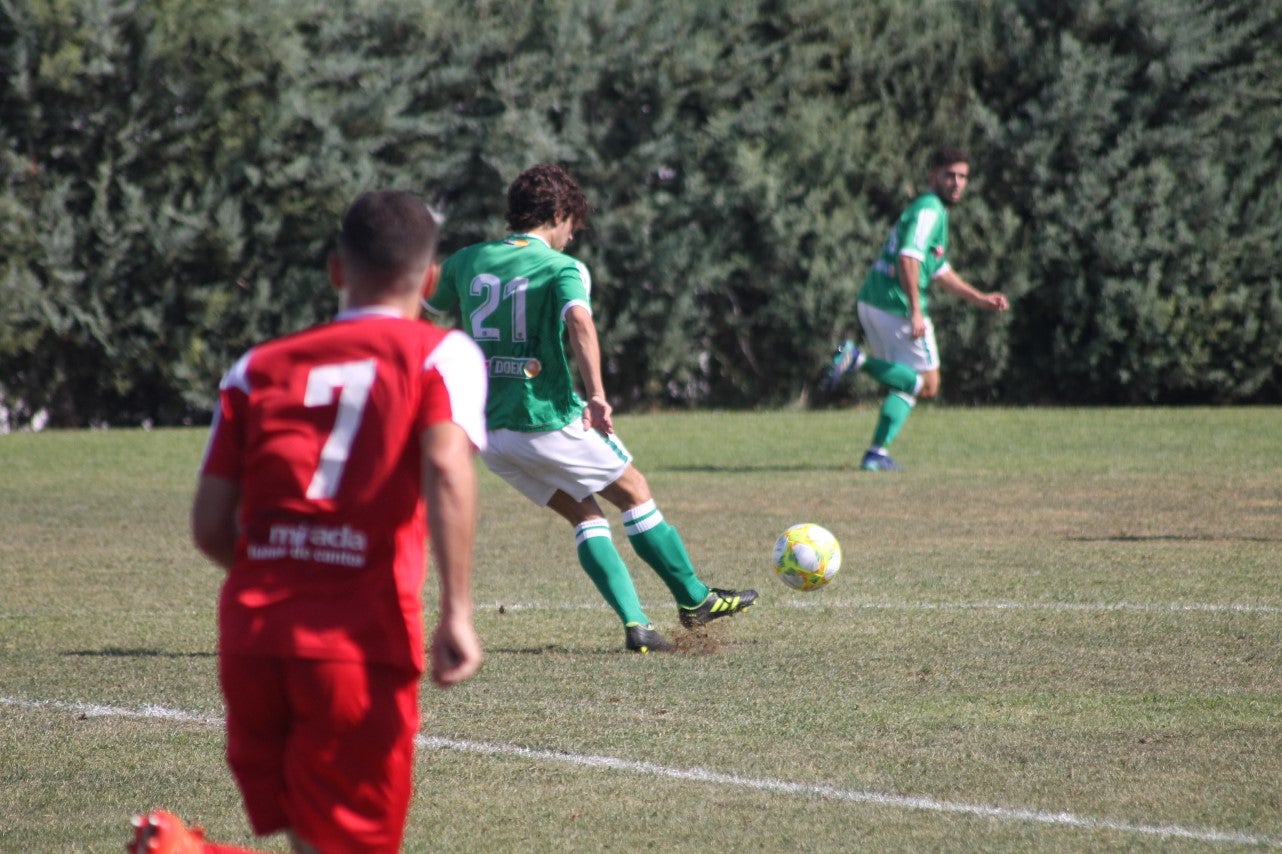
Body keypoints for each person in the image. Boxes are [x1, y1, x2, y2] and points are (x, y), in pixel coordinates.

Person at [131, 190, 488, 854]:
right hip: (355, 642)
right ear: (430, 281)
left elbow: (209, 526)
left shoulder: (256, 367)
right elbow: (446, 466)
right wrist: (459, 611)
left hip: (252, 637)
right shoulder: (441, 354)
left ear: (336, 271)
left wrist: (287, 567)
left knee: (315, 838)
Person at [424, 163, 756, 653]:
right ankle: (694, 598)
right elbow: (579, 321)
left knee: (586, 515)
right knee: (635, 492)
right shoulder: (562, 268)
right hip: (544, 417)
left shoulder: (467, 260)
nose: (572, 238)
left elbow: (422, 301)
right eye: (572, 226)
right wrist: (597, 394)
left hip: (489, 433)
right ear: (558, 214)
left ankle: (637, 625)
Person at [823, 146, 1009, 471]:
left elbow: (937, 269)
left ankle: (876, 454)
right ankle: (856, 359)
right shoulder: (930, 210)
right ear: (933, 177)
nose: (957, 183)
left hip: (875, 300)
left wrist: (979, 298)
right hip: (894, 305)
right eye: (950, 175)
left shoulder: (932, 211)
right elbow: (908, 257)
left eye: (963, 176)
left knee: (907, 383)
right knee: (928, 384)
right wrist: (915, 311)